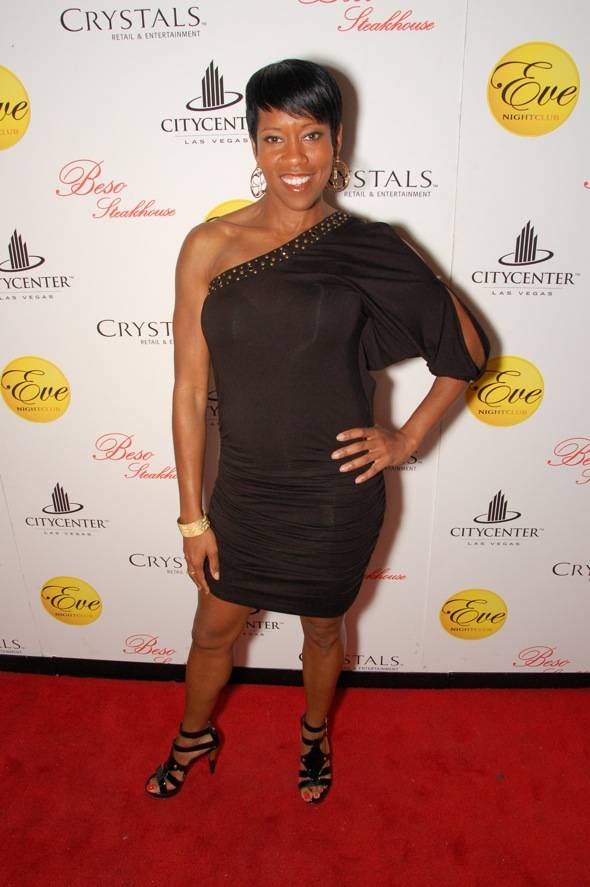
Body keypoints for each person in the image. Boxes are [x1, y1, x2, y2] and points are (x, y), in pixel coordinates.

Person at [145, 59, 489, 804]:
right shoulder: (209, 245)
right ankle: (193, 734)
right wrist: (191, 516)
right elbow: (190, 388)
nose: (293, 157)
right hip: (245, 492)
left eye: (311, 135)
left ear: (338, 142)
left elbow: (465, 349)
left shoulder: (367, 244)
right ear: (253, 145)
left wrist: (406, 439)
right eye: (274, 137)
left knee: (324, 633)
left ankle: (313, 733)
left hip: (335, 496)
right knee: (210, 632)